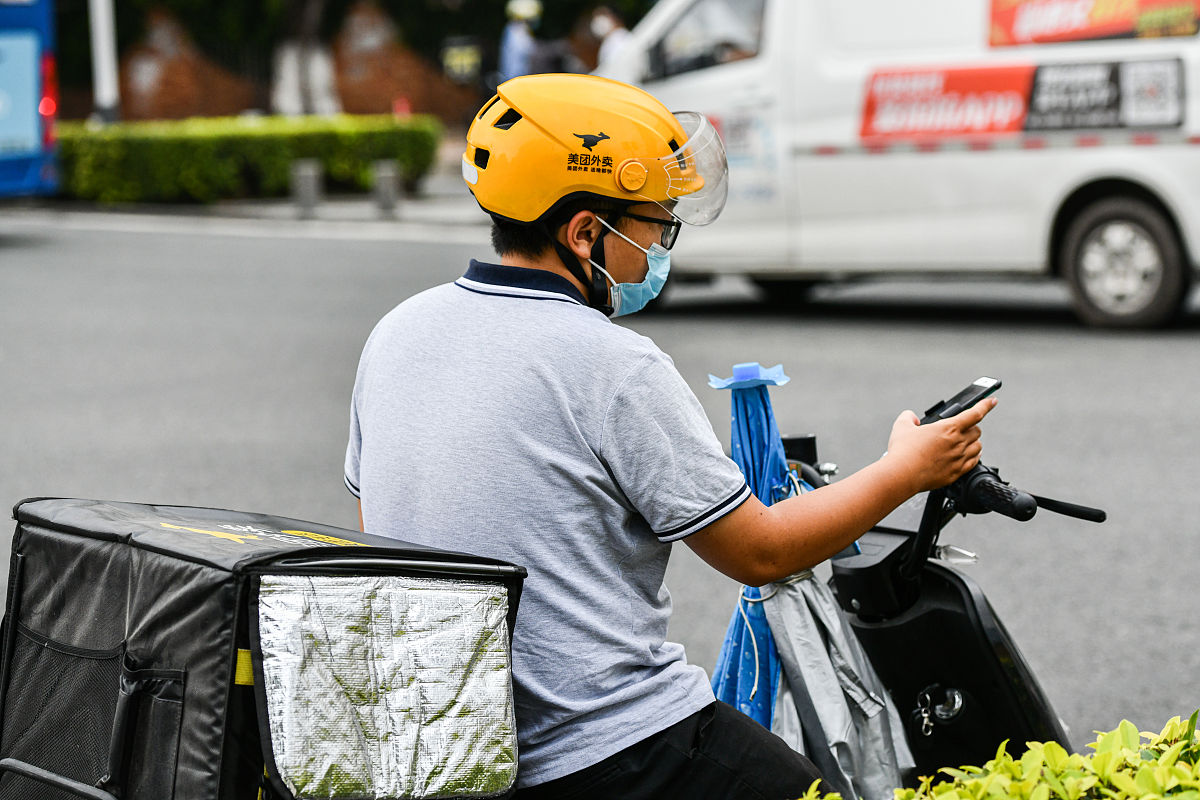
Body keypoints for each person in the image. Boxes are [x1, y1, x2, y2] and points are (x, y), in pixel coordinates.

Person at [344, 73, 995, 799]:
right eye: (656, 226)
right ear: (584, 232)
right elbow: (760, 552)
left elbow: (381, 527)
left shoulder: (396, 332)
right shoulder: (612, 363)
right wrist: (907, 468)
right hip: (607, 742)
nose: (661, 247)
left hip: (450, 744)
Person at [498, 0, 541, 83]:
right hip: (516, 81)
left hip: (512, 80)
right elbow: (532, 52)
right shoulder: (518, 31)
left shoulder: (511, 29)